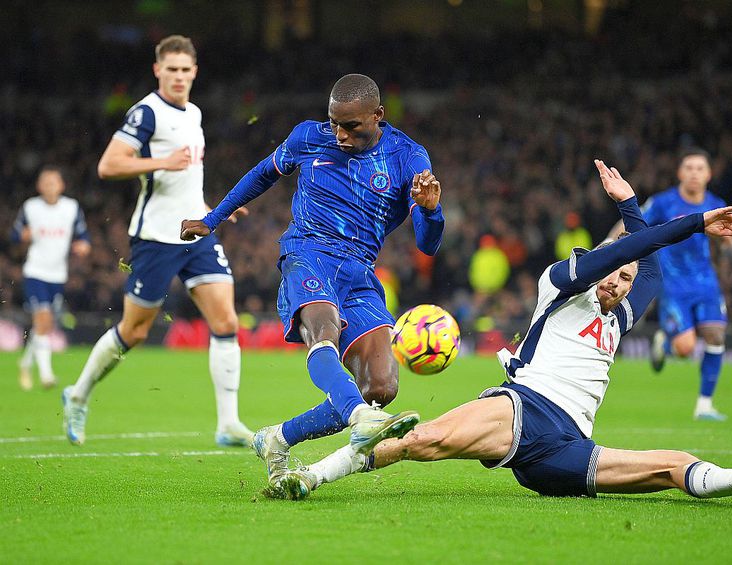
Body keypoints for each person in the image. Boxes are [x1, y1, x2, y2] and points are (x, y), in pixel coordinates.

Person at [267, 160, 732, 502]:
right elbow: (634, 251)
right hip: (522, 408)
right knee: (420, 441)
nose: (620, 285)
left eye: (626, 281)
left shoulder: (620, 314)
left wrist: (630, 205)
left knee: (668, 467)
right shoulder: (561, 284)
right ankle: (311, 477)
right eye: (613, 272)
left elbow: (646, 266)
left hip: (568, 443)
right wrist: (683, 219)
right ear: (595, 262)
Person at [180, 73, 445, 487]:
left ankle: (278, 438)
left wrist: (430, 210)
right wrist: (213, 219)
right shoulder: (309, 137)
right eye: (334, 122)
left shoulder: (408, 157)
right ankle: (359, 420)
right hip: (308, 253)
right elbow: (263, 173)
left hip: (359, 269)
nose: (339, 134)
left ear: (378, 115)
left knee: (380, 387)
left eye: (351, 126)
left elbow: (428, 246)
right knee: (324, 330)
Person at [62, 35, 253, 447]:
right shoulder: (146, 113)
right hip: (155, 238)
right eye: (172, 70)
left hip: (195, 231)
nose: (180, 77)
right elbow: (108, 164)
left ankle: (228, 423)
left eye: (186, 70)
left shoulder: (195, 113)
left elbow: (188, 181)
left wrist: (216, 211)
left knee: (226, 321)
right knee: (134, 330)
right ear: (158, 70)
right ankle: (77, 394)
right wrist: (161, 161)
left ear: (195, 72)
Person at [614, 149, 732, 421]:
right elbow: (629, 221)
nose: (694, 172)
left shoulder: (715, 203)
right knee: (686, 348)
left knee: (715, 335)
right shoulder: (663, 202)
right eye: (689, 167)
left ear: (708, 174)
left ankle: (704, 405)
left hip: (705, 282)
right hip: (673, 284)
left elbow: (726, 237)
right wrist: (611, 247)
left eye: (699, 168)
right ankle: (665, 345)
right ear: (680, 173)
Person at [12, 165, 91, 390]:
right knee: (44, 320)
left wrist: (84, 245)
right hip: (35, 271)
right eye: (45, 183)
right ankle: (46, 375)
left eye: (53, 182)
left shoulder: (71, 208)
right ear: (39, 186)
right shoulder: (31, 207)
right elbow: (14, 233)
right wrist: (22, 235)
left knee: (44, 325)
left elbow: (83, 233)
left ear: (61, 185)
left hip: (58, 274)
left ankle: (25, 361)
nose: (49, 186)